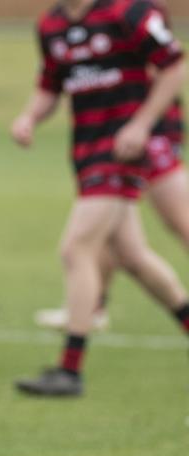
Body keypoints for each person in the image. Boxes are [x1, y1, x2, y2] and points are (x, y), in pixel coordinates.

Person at [11, 0, 189, 396]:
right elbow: (50, 85)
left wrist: (142, 125)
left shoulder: (131, 12)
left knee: (77, 248)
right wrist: (29, 117)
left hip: (124, 151)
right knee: (132, 257)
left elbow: (175, 66)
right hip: (87, 151)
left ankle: (70, 370)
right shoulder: (53, 24)